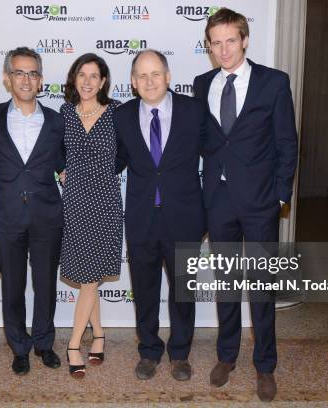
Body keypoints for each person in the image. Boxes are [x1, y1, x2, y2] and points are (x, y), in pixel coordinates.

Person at [192, 8, 299, 402]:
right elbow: (205, 141)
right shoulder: (202, 84)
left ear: (245, 40)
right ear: (209, 45)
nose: (223, 50)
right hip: (218, 202)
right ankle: (226, 355)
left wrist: (280, 196)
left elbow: (287, 143)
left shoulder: (273, 82)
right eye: (215, 43)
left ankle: (265, 365)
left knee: (261, 288)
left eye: (230, 41)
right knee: (225, 285)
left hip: (260, 203)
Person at [114, 50, 206, 382]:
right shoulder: (121, 116)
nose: (149, 81)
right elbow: (115, 161)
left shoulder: (194, 111)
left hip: (184, 218)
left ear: (168, 77)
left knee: (183, 290)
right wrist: (77, 169)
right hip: (140, 219)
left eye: (155, 74)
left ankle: (180, 353)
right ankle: (149, 351)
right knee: (146, 289)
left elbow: (214, 157)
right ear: (133, 83)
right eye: (141, 75)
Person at [0, 47, 65, 376]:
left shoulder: (57, 120)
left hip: (47, 216)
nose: (26, 79)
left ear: (41, 80)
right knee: (13, 286)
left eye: (32, 73)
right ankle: (19, 347)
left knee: (45, 285)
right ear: (7, 78)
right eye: (19, 72)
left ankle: (43, 343)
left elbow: (63, 163)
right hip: (7, 216)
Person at [59, 53, 123, 379]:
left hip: (105, 202)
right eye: (81, 74)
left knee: (89, 277)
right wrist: (61, 170)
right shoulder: (65, 113)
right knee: (89, 275)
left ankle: (73, 344)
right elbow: (55, 150)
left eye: (93, 75)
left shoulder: (115, 114)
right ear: (74, 79)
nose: (87, 81)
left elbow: (126, 152)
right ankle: (98, 335)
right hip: (74, 203)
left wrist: (103, 173)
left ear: (103, 81)